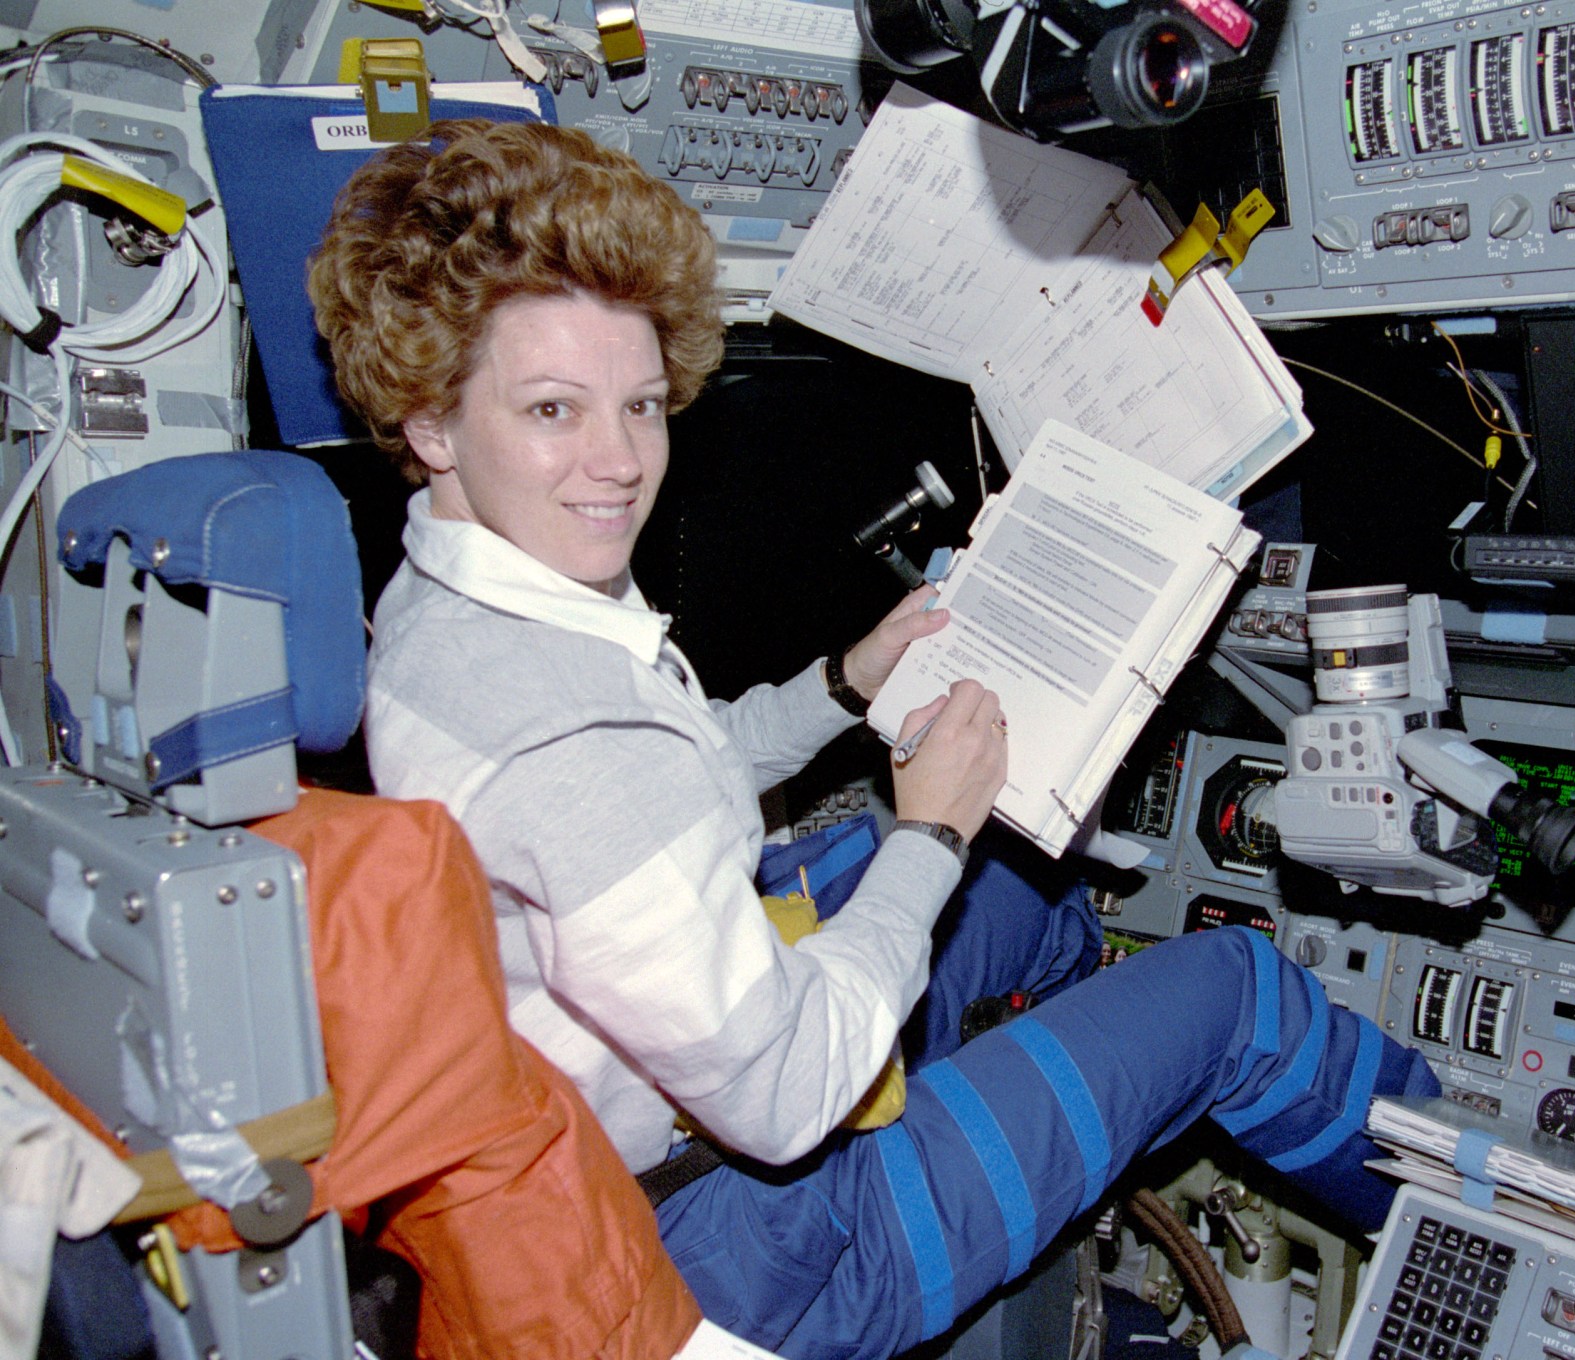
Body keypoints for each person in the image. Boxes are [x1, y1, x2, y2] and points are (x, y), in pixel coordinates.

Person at [309, 118, 1439, 1360]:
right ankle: (1480, 1239)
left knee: (1028, 888)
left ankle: (1074, 1090)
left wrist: (843, 686)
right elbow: (790, 1096)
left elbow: (669, 775)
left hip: (658, 1147)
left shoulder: (447, 613)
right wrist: (930, 828)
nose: (618, 461)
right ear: (427, 420)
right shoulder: (559, 729)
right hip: (754, 1241)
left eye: (639, 403)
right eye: (551, 410)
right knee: (1240, 998)